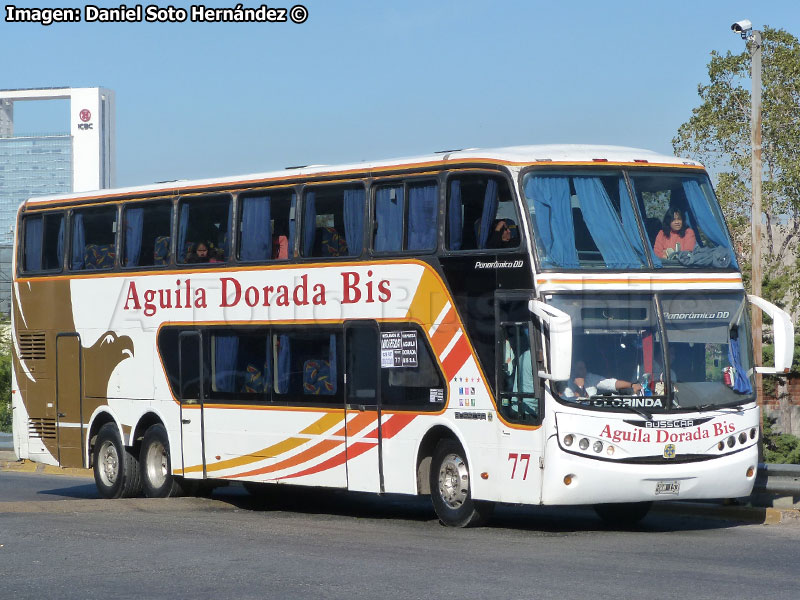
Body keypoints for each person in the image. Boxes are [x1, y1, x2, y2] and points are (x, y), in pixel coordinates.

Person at [564, 360, 642, 398]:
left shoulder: (590, 377)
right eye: (580, 368)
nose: (583, 370)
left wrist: (632, 385)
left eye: (584, 368)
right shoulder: (566, 383)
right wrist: (579, 388)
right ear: (573, 370)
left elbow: (611, 384)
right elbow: (576, 403)